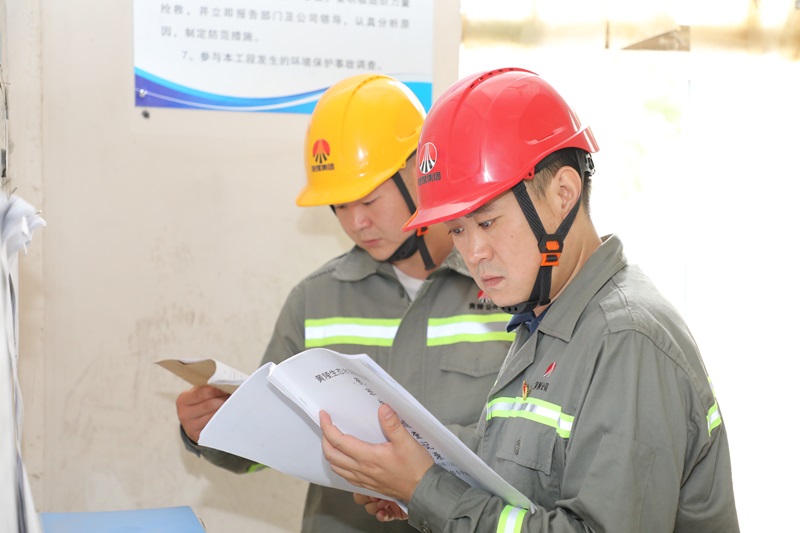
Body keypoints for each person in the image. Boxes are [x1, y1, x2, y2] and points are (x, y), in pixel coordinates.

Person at [320, 67, 740, 532]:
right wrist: (411, 481)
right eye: (457, 230)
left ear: (563, 193)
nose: (473, 253)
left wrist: (425, 489)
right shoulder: (544, 320)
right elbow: (517, 480)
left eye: (487, 222)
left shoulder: (626, 339)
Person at [174, 73, 515, 533]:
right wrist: (208, 429)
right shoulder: (315, 298)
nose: (356, 222)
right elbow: (267, 443)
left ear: (420, 172)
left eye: (369, 200)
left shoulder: (506, 288)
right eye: (339, 205)